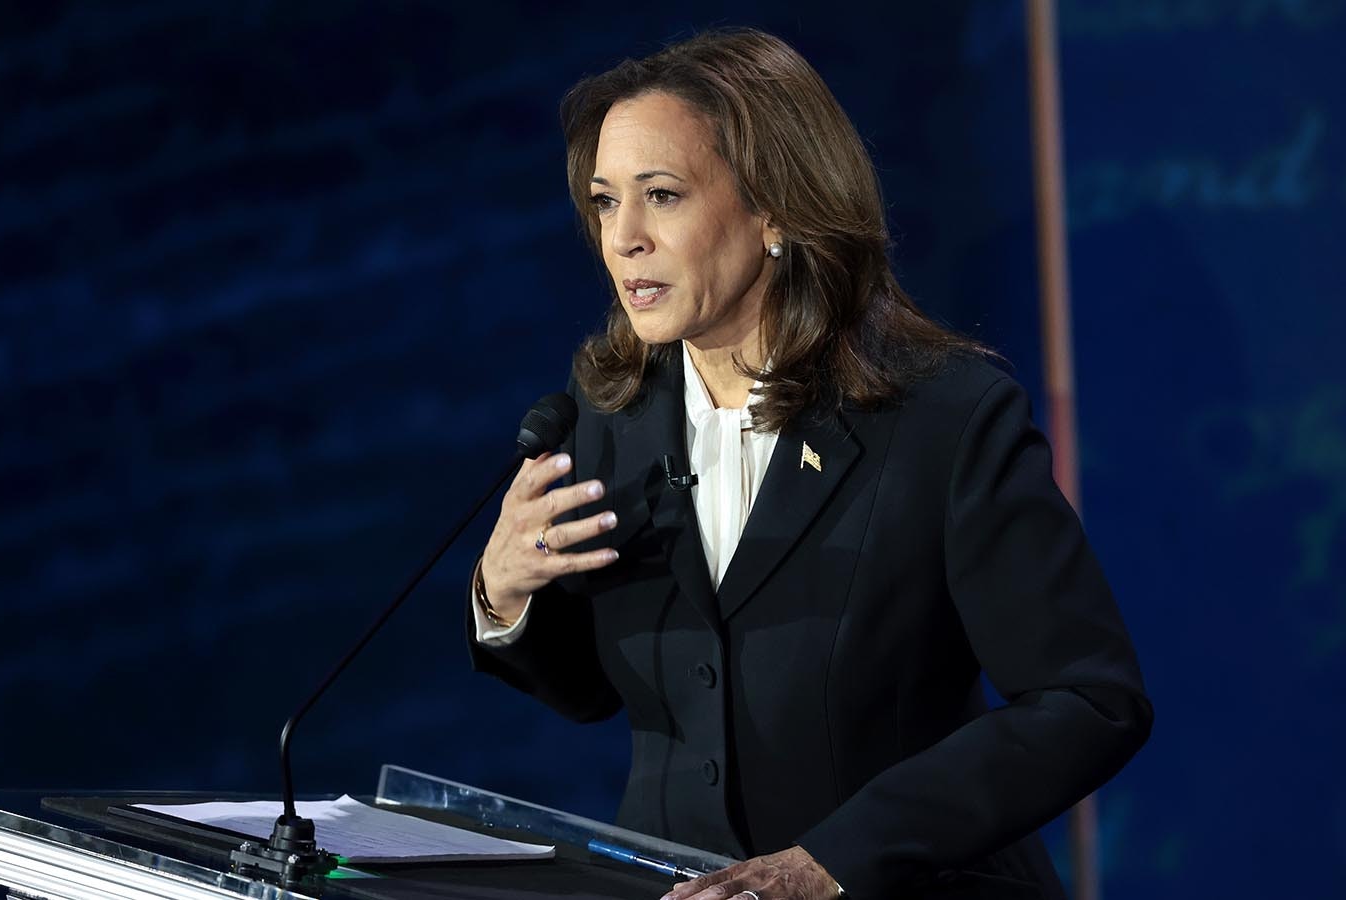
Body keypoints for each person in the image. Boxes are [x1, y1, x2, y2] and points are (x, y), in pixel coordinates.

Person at [467, 27, 1151, 900]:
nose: (623, 238)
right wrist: (506, 592)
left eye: (663, 196)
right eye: (605, 202)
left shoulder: (943, 417)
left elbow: (1089, 702)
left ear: (776, 209)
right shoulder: (609, 411)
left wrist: (834, 861)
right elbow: (602, 691)